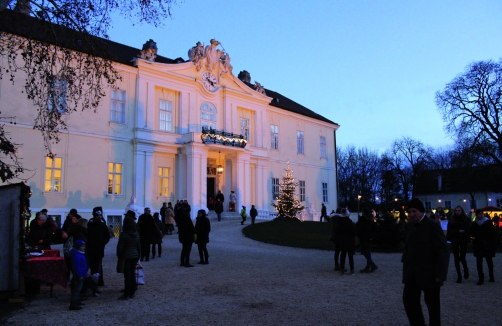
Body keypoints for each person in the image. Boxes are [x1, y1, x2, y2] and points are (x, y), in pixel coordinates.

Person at [402, 198, 449, 326]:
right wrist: (405, 257)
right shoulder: (410, 225)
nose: (411, 214)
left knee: (433, 306)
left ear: (421, 211)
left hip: (430, 272)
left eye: (414, 211)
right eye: (409, 212)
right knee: (409, 301)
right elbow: (409, 243)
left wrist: (440, 274)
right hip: (412, 272)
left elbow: (443, 250)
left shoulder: (432, 226)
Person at [117, 211, 141, 300]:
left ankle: (126, 293)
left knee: (127, 275)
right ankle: (132, 292)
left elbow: (120, 247)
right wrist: (138, 255)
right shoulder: (136, 234)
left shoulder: (124, 234)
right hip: (134, 256)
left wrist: (119, 255)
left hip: (126, 256)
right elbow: (139, 246)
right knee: (132, 274)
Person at [471, 208, 497, 285]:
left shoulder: (488, 222)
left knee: (489, 261)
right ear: (477, 215)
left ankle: (491, 276)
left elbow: (492, 233)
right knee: (479, 262)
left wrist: (493, 244)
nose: (480, 215)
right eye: (479, 214)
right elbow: (472, 233)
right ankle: (480, 278)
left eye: (481, 213)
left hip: (487, 244)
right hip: (478, 244)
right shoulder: (475, 223)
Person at [446, 206, 471, 283]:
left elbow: (468, 229)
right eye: (456, 210)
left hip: (463, 240)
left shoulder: (466, 219)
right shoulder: (452, 220)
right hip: (455, 240)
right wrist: (458, 231)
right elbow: (450, 230)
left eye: (459, 210)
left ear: (462, 211)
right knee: (456, 258)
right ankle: (459, 276)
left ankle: (465, 269)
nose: (458, 212)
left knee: (462, 257)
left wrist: (461, 232)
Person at [87, 206, 110, 286]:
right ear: (94, 215)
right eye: (97, 215)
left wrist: (102, 243)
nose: (99, 217)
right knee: (90, 266)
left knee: (97, 267)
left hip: (99, 249)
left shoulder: (103, 225)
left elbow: (107, 236)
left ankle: (98, 282)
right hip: (90, 249)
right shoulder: (90, 224)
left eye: (100, 215)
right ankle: (91, 282)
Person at [357, 208, 378, 273]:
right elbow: (374, 228)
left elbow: (358, 227)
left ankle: (369, 266)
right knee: (367, 251)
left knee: (365, 251)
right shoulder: (371, 219)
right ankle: (371, 264)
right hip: (369, 237)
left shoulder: (362, 219)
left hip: (364, 237)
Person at [336, 208, 356, 275]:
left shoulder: (340, 222)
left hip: (342, 239)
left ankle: (342, 269)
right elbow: (353, 231)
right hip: (349, 240)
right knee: (350, 255)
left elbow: (338, 231)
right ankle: (352, 269)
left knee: (343, 254)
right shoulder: (349, 221)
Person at [69, 239, 87, 310]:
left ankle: (76, 300)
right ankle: (73, 303)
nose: (83, 248)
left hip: (81, 274)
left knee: (78, 288)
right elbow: (77, 267)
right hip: (79, 275)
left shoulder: (77, 254)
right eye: (82, 246)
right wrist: (80, 275)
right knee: (77, 289)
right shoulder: (77, 255)